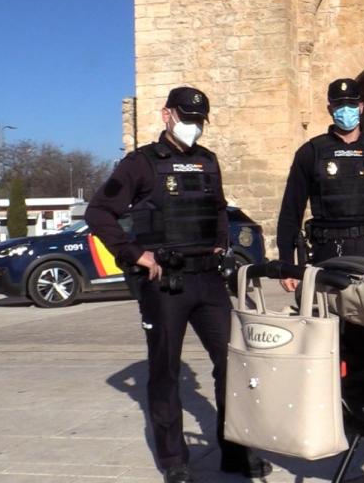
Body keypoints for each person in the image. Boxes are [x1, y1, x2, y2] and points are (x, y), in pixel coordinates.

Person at [85, 88, 271, 483]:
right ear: (167, 115)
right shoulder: (140, 164)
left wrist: (221, 243)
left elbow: (218, 208)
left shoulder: (208, 161)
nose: (194, 126)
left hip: (208, 279)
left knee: (232, 364)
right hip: (166, 283)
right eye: (187, 118)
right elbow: (99, 212)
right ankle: (174, 459)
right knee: (166, 370)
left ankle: (235, 451)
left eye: (199, 120)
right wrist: (134, 253)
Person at [277, 78, 364, 292]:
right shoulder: (310, 153)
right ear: (330, 109)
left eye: (351, 104)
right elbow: (291, 211)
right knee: (328, 320)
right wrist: (286, 262)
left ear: (361, 107)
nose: (345, 110)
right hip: (327, 252)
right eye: (339, 105)